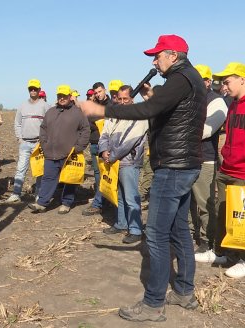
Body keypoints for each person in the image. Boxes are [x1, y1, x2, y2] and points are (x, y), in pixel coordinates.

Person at [80, 34, 207, 322]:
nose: (154, 60)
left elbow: (146, 110)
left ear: (173, 56)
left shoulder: (180, 79)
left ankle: (152, 305)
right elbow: (162, 111)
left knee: (157, 235)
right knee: (179, 231)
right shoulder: (192, 79)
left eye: (157, 55)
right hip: (185, 164)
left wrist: (101, 109)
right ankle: (184, 293)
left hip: (173, 167)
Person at [196, 63, 245, 278]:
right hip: (227, 168)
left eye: (227, 81)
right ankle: (226, 253)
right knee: (224, 215)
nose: (224, 85)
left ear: (242, 79)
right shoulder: (233, 103)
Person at [28, 85, 90, 214]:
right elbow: (43, 128)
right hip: (50, 152)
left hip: (69, 154)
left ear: (69, 97)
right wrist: (44, 144)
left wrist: (79, 147)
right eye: (59, 96)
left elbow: (86, 130)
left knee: (69, 179)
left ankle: (66, 203)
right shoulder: (51, 111)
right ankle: (41, 203)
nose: (61, 98)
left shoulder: (77, 113)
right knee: (48, 178)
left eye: (64, 96)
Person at [99, 85, 148, 243]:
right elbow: (104, 133)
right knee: (118, 195)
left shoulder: (139, 116)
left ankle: (135, 229)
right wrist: (103, 151)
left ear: (132, 98)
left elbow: (128, 141)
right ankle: (121, 223)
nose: (122, 102)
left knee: (131, 197)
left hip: (129, 162)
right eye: (119, 99)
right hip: (113, 162)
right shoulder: (114, 115)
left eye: (125, 99)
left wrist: (111, 156)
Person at [189, 65, 228, 250]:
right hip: (188, 157)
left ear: (207, 82)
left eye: (199, 79)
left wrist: (181, 131)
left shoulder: (216, 101)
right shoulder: (189, 99)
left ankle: (208, 241)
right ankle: (194, 233)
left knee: (205, 202)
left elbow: (207, 130)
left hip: (205, 158)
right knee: (189, 202)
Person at [5, 79, 50, 203]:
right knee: (20, 169)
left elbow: (50, 124)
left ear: (39, 90)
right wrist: (20, 138)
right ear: (28, 90)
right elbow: (17, 123)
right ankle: (16, 193)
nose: (33, 91)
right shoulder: (22, 106)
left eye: (35, 88)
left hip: (39, 144)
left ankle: (38, 194)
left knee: (39, 170)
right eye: (31, 89)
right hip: (25, 143)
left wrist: (45, 141)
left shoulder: (45, 106)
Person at [82, 82, 111, 217]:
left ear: (105, 90)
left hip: (106, 145)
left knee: (105, 174)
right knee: (97, 174)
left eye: (100, 91)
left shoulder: (111, 105)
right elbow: (88, 122)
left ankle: (99, 203)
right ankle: (103, 200)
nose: (98, 94)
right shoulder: (94, 106)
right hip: (94, 144)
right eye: (96, 93)